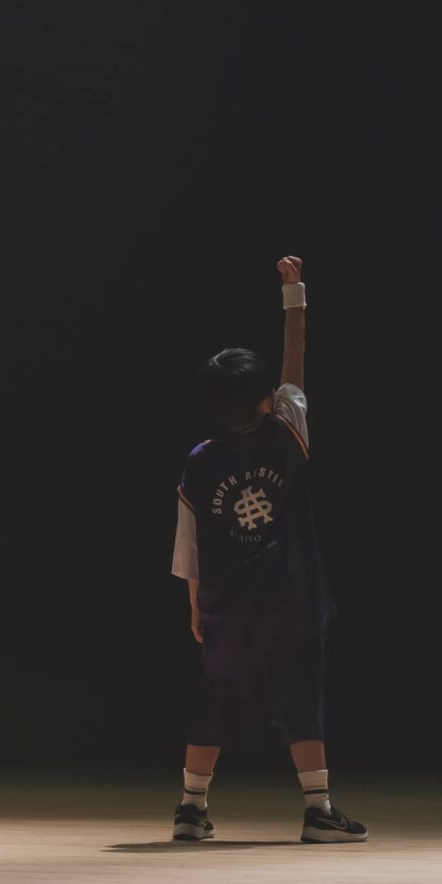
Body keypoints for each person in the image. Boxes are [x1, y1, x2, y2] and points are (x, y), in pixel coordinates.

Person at [171, 257, 366, 844]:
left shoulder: (201, 460)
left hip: (226, 607)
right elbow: (296, 365)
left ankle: (190, 809)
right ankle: (318, 809)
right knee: (303, 699)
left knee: (213, 703)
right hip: (292, 601)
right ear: (266, 400)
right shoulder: (287, 436)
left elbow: (189, 542)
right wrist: (293, 295)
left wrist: (195, 604)